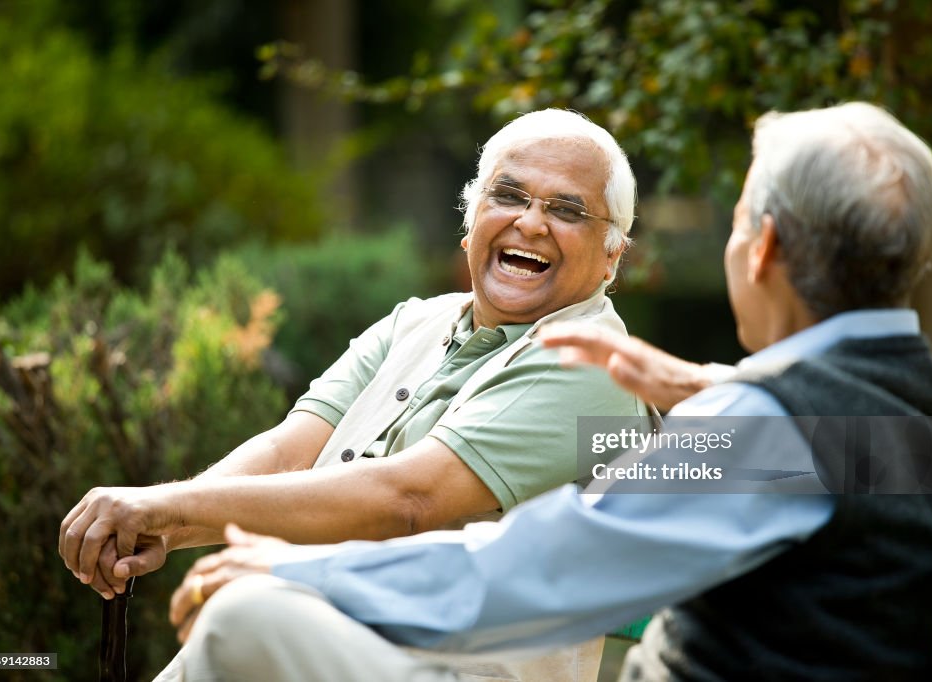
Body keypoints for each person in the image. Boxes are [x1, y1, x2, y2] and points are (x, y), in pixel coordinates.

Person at [158, 101, 932, 682]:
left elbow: (536, 569)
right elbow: (817, 451)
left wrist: (305, 572)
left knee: (247, 616)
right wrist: (715, 387)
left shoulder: (763, 431)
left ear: (760, 248)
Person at [59, 108, 662, 682]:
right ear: (470, 219)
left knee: (244, 615)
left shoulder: (592, 363)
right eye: (508, 196)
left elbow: (408, 498)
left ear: (612, 257)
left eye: (567, 209)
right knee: (243, 615)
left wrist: (171, 510)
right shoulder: (413, 323)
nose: (530, 222)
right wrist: (162, 527)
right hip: (333, 640)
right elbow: (286, 452)